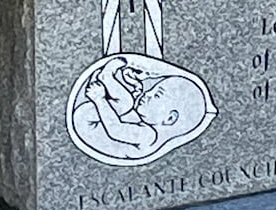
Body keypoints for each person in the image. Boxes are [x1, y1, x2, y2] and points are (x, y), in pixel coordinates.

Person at [72, 56, 208, 160]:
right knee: (127, 103)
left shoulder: (150, 136)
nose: (147, 94)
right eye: (152, 91)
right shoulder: (153, 127)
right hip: (98, 123)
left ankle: (106, 77)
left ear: (170, 118)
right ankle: (105, 79)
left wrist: (99, 99)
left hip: (88, 124)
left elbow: (115, 130)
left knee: (126, 102)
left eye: (156, 95)